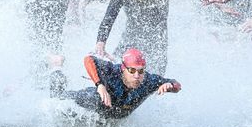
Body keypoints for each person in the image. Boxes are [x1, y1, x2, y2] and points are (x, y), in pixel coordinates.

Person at [95, 0, 210, 75]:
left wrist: (216, 2)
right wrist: (101, 41)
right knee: (116, 72)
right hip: (131, 39)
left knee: (155, 82)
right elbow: (109, 16)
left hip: (157, 43)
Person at [50, 48, 181, 119]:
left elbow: (176, 84)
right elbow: (88, 60)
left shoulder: (148, 80)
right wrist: (99, 85)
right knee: (56, 97)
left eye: (141, 71)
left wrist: (170, 86)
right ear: (124, 69)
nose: (137, 76)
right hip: (95, 99)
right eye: (132, 70)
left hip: (113, 115)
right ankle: (57, 67)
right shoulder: (113, 71)